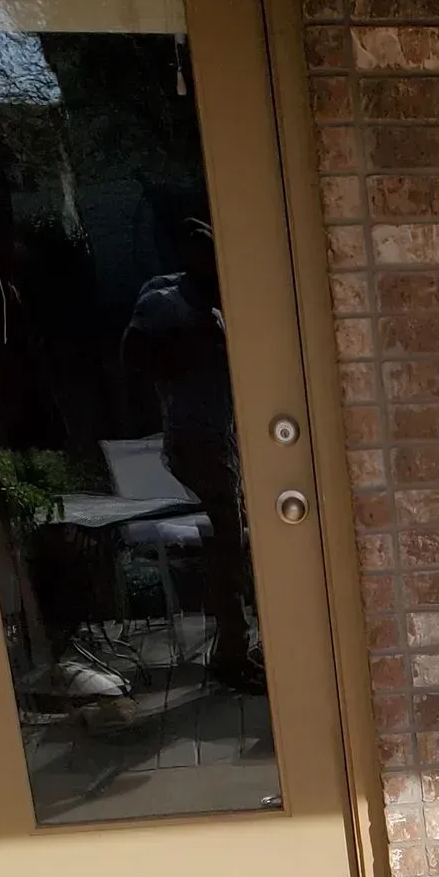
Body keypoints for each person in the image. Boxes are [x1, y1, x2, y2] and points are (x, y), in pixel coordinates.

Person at [121, 215, 263, 691]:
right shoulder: (167, 303)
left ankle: (243, 643)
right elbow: (132, 356)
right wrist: (196, 345)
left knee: (240, 541)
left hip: (225, 436)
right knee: (230, 544)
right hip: (196, 439)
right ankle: (231, 653)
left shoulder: (219, 301)